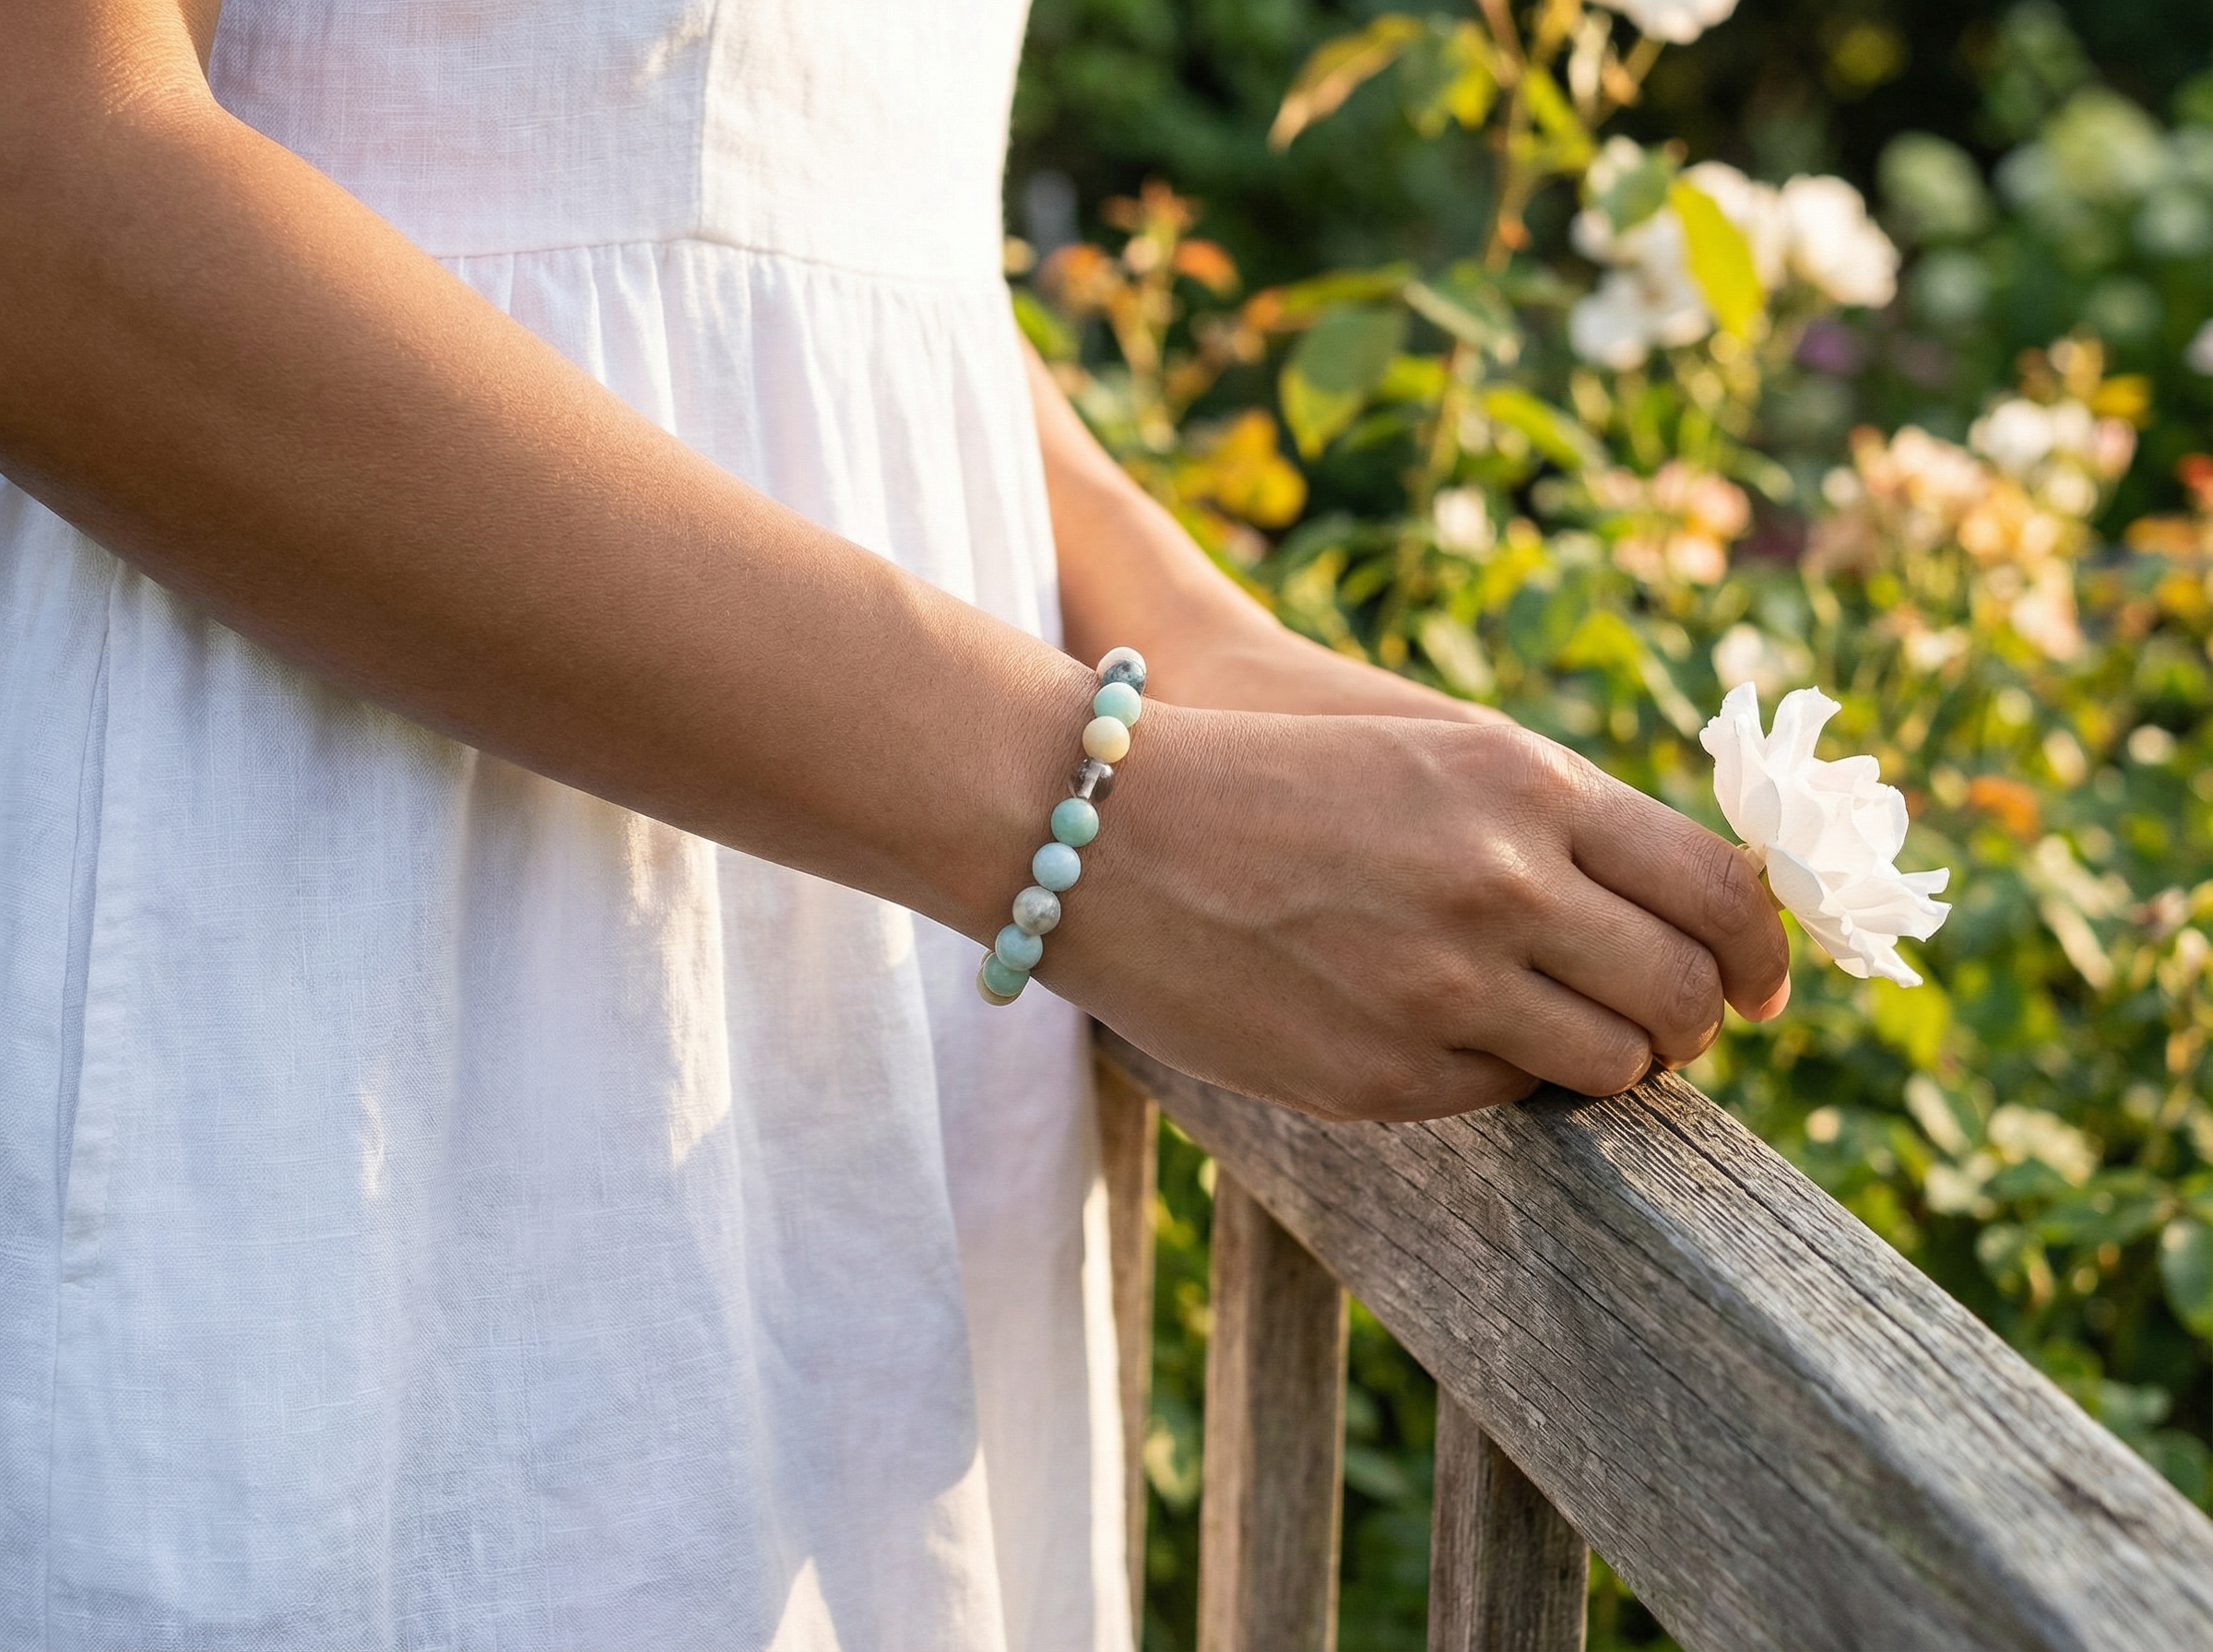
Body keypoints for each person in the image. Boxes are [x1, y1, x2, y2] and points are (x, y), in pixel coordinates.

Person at [0, 0, 1790, 1646]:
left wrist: (1188, 646)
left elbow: (817, 199)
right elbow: (44, 184)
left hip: (877, 1013)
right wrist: (1076, 813)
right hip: (339, 965)